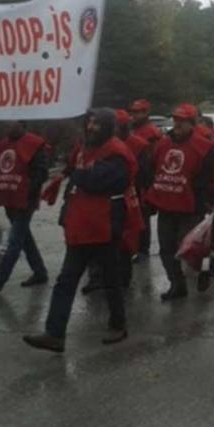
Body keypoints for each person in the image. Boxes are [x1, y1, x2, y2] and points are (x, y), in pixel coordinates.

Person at [23, 109, 134, 352]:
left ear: (107, 127)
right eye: (89, 123)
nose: (91, 127)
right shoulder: (85, 149)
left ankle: (118, 323)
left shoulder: (117, 153)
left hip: (104, 226)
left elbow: (99, 181)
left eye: (97, 124)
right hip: (82, 226)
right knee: (66, 280)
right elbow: (78, 178)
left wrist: (78, 174)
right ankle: (55, 333)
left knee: (111, 279)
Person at [145, 103, 214, 301]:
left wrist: (206, 201)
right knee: (166, 249)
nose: (177, 124)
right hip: (166, 205)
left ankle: (206, 269)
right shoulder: (163, 144)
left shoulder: (204, 147)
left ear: (192, 123)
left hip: (191, 207)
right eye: (176, 119)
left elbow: (211, 177)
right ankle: (177, 284)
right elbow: (152, 168)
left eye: (182, 121)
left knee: (194, 249)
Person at [81, 109, 153, 293]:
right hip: (98, 204)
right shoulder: (93, 145)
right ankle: (97, 277)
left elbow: (144, 172)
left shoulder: (136, 145)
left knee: (124, 241)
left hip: (128, 196)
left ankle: (122, 280)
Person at [0, 121, 50, 291]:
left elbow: (42, 172)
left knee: (15, 240)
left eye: (13, 122)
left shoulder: (34, 144)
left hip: (25, 200)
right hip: (9, 198)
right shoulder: (3, 145)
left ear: (23, 124)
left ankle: (0, 279)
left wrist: (28, 191)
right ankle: (40, 272)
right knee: (25, 238)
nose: (9, 125)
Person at [129, 98, 163, 262]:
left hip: (144, 179)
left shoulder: (151, 133)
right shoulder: (132, 130)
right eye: (133, 112)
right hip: (132, 178)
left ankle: (143, 249)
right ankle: (134, 247)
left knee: (143, 215)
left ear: (146, 113)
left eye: (138, 112)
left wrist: (150, 183)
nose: (134, 115)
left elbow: (154, 159)